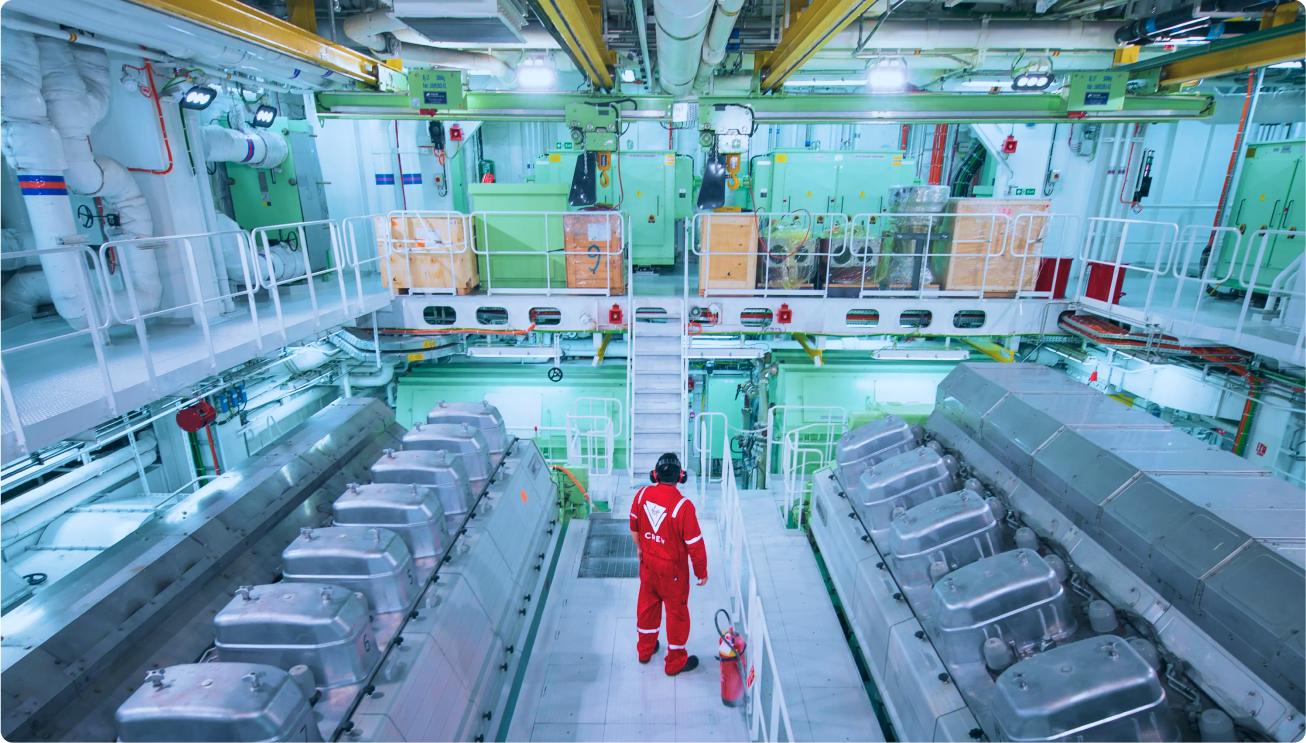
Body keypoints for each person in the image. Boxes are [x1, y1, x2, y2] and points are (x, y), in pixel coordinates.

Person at [629, 452, 708, 675]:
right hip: (673, 573)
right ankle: (675, 663)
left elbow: (634, 527)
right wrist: (701, 571)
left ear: (655, 474)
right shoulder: (683, 507)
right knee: (677, 615)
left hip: (648, 566)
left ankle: (645, 650)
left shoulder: (642, 494)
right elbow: (695, 545)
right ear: (680, 476)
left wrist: (640, 548)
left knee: (647, 607)